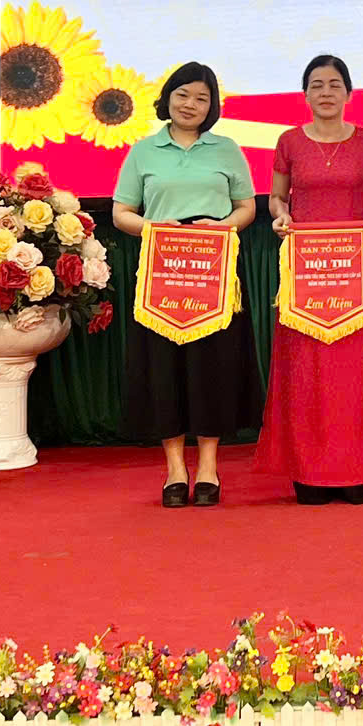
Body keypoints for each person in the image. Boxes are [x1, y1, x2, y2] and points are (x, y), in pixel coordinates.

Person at [110, 62, 261, 509]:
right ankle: (175, 469)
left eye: (201, 98)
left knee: (212, 367)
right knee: (164, 368)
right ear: (167, 98)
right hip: (162, 274)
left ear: (212, 106)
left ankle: (209, 467)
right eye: (183, 94)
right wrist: (155, 228)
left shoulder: (226, 149)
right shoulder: (143, 151)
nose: (191, 104)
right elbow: (121, 213)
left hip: (214, 273)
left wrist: (222, 228)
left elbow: (247, 207)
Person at [256, 55, 363, 506]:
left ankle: (353, 472)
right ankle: (308, 473)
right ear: (305, 94)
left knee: (352, 376)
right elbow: (277, 198)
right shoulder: (289, 141)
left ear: (349, 93)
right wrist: (281, 217)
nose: (326, 92)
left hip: (353, 276)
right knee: (305, 375)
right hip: (305, 276)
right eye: (317, 85)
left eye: (335, 84)